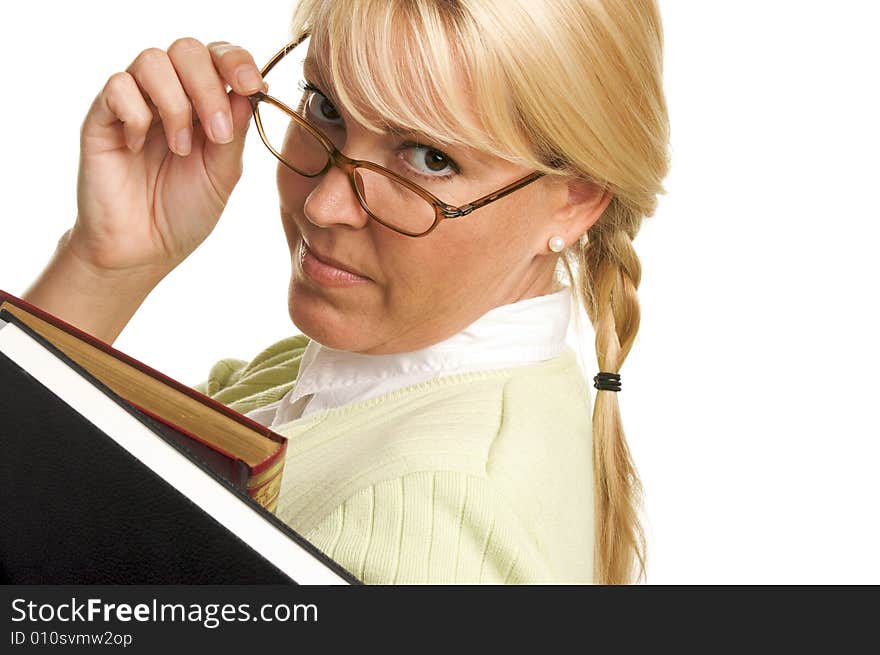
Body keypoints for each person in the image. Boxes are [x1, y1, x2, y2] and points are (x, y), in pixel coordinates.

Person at [21, 0, 670, 584]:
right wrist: (105, 265)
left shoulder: (428, 511)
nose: (326, 204)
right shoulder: (364, 371)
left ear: (576, 199)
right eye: (326, 108)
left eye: (427, 156)